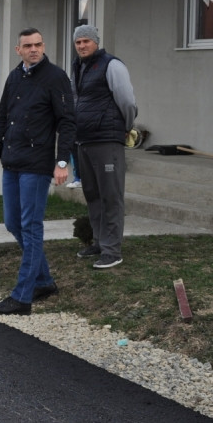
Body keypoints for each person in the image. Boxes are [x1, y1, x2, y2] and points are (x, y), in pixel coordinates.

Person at [0, 28, 75, 315]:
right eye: (28, 45)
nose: (34, 49)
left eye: (38, 44)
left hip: (37, 163)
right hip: (12, 161)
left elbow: (67, 123)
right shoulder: (14, 76)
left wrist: (62, 163)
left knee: (31, 226)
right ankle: (44, 281)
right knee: (12, 223)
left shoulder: (55, 77)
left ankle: (22, 297)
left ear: (43, 46)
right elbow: (3, 118)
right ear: (18, 49)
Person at [69, 25, 137, 270]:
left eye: (86, 41)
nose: (82, 46)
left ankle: (112, 251)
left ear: (96, 42)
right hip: (84, 140)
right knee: (93, 195)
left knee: (111, 196)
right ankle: (99, 242)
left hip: (107, 140)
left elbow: (127, 100)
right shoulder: (77, 67)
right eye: (78, 42)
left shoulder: (112, 65)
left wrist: (125, 126)